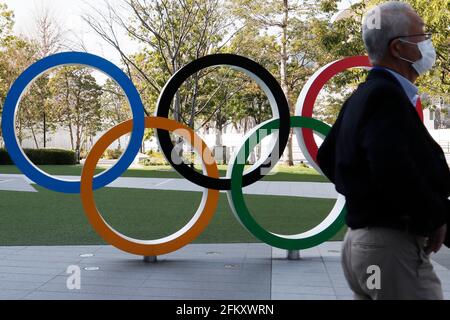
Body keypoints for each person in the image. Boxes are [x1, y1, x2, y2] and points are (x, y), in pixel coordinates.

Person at [317, 1, 450, 300]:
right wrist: (432, 219)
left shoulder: (363, 96)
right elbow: (393, 170)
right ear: (398, 48)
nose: (428, 43)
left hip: (362, 247)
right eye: (422, 36)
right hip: (390, 251)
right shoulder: (385, 98)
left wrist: (363, 197)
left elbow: (328, 156)